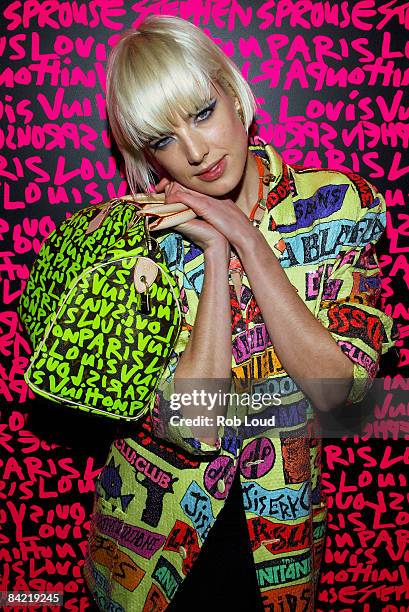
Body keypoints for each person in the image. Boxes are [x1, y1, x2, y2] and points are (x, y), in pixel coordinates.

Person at [82, 15, 395, 611]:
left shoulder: (338, 209)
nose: (196, 151)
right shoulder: (128, 248)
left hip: (280, 549)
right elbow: (196, 425)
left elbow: (338, 395)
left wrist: (250, 244)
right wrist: (215, 249)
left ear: (236, 93)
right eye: (163, 139)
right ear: (144, 154)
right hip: (150, 557)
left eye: (202, 112)